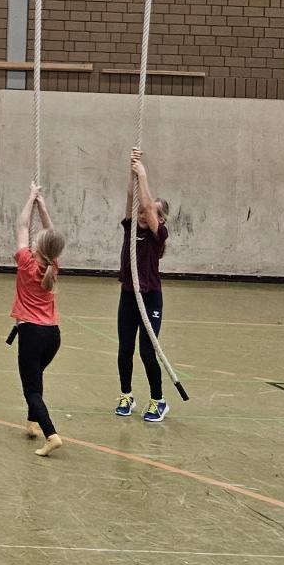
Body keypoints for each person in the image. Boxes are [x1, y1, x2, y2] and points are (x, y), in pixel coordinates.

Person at [115, 148, 172, 424]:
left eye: (147, 213)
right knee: (124, 349)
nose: (141, 214)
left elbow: (149, 207)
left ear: (160, 220)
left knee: (147, 352)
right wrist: (132, 168)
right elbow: (132, 197)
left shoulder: (158, 235)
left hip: (149, 298)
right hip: (128, 295)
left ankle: (158, 401)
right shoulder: (131, 228)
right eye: (139, 212)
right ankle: (126, 395)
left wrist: (144, 174)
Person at [11, 183, 66, 457]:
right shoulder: (52, 265)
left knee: (31, 389)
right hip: (52, 336)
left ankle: (51, 435)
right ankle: (32, 422)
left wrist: (30, 197)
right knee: (36, 377)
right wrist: (42, 207)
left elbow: (21, 226)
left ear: (39, 247)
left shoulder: (26, 262)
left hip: (32, 334)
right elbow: (50, 235)